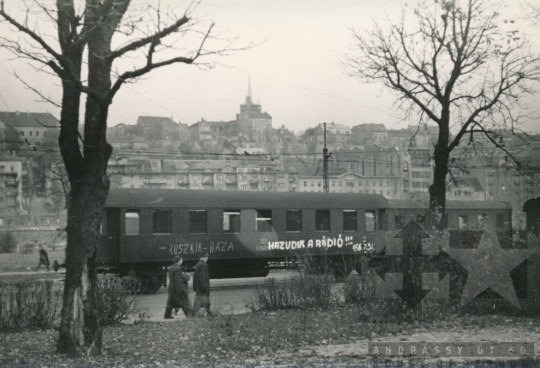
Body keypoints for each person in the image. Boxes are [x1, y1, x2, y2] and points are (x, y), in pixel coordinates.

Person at [193, 251, 213, 316]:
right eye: (206, 257)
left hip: (200, 287)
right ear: (202, 257)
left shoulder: (199, 264)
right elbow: (202, 277)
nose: (207, 258)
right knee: (200, 302)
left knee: (204, 301)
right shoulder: (202, 265)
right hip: (202, 288)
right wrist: (204, 286)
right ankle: (193, 314)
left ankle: (209, 313)